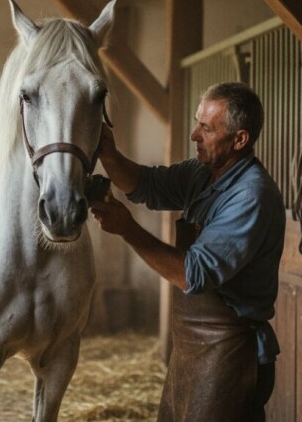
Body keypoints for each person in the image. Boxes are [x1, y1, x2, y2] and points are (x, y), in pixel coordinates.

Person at [90, 82, 285, 422]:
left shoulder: (251, 195)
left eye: (206, 128)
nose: (194, 134)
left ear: (239, 140)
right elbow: (146, 186)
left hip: (229, 351)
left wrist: (128, 229)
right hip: (192, 346)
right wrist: (109, 154)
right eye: (198, 122)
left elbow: (193, 274)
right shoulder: (203, 173)